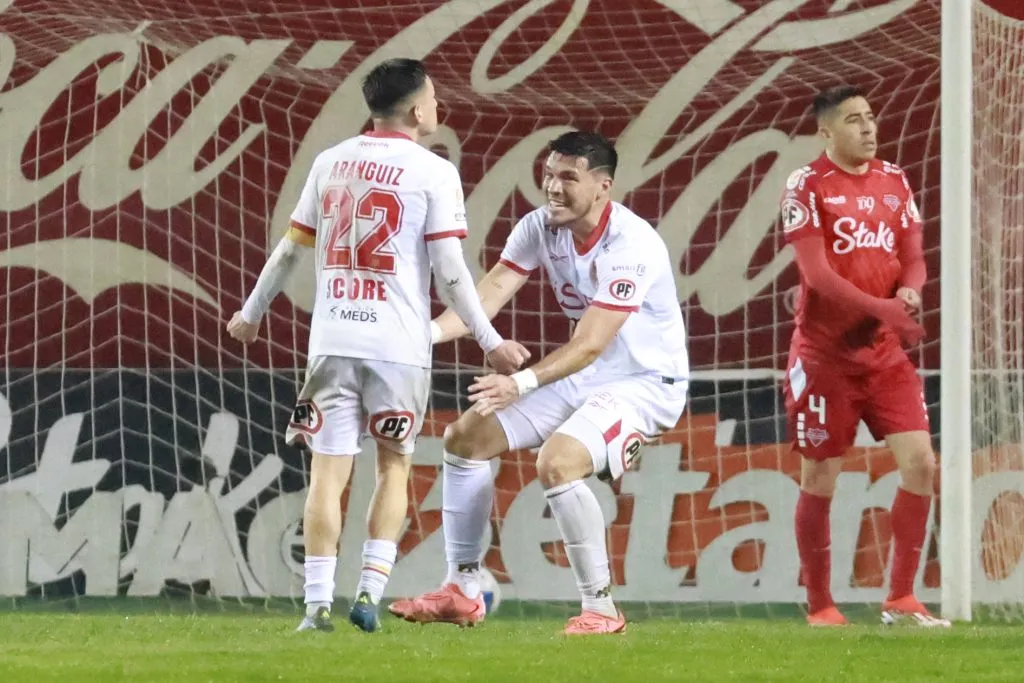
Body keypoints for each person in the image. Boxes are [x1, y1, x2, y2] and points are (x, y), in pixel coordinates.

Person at [226, 58, 528, 633]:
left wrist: (250, 314)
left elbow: (289, 251)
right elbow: (452, 271)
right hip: (398, 349)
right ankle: (368, 592)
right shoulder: (433, 171)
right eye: (434, 98)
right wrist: (489, 341)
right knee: (393, 467)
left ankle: (316, 607)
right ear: (417, 110)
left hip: (334, 340)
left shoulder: (330, 160)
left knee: (326, 475)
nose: (438, 107)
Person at [388, 131, 689, 635]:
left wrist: (521, 382)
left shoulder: (631, 244)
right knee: (465, 439)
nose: (552, 186)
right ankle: (462, 589)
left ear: (602, 186)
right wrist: (422, 336)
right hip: (586, 375)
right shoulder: (538, 227)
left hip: (646, 383)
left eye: (568, 177)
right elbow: (485, 298)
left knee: (557, 461)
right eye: (549, 174)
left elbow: (592, 342)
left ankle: (602, 610)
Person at [779, 85, 949, 627]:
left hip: (885, 354)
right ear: (826, 132)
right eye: (854, 120)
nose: (868, 128)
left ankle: (901, 598)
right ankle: (821, 606)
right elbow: (817, 276)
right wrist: (885, 307)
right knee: (820, 479)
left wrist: (910, 293)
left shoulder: (895, 179)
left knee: (921, 463)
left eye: (871, 117)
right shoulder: (805, 185)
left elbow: (914, 257)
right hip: (825, 358)